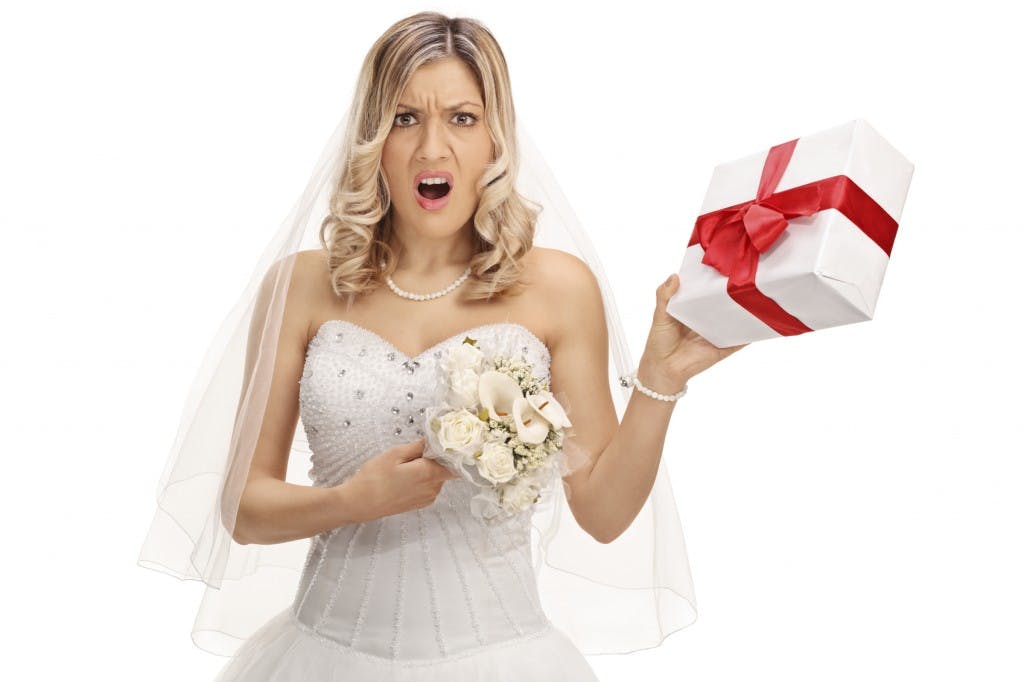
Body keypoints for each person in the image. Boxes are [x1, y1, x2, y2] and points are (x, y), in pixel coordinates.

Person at [137, 11, 745, 681]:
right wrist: (350, 502)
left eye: (461, 117)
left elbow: (601, 513)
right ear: (372, 140)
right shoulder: (304, 286)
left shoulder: (557, 288)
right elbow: (245, 510)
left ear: (495, 140)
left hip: (503, 658)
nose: (433, 148)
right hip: (321, 656)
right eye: (404, 118)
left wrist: (660, 380)